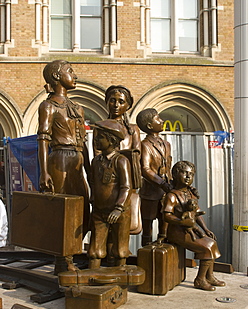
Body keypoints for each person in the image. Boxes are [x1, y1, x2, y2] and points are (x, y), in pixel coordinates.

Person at [37, 60, 90, 273]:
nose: (75, 75)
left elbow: (84, 142)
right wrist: (44, 172)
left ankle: (73, 251)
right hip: (59, 159)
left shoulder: (77, 107)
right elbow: (43, 139)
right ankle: (62, 260)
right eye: (70, 71)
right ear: (57, 77)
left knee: (84, 209)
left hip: (77, 160)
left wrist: (90, 170)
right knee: (63, 210)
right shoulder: (48, 106)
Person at [161, 160, 225, 291]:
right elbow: (166, 216)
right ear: (175, 174)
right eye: (184, 173)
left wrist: (206, 229)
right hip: (177, 232)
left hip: (189, 229)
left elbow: (197, 214)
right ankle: (200, 280)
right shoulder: (172, 196)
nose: (188, 177)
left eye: (191, 174)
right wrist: (181, 222)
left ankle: (209, 276)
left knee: (212, 242)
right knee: (206, 247)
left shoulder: (190, 194)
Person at [88, 119, 132, 269]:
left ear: (111, 140)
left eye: (100, 137)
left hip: (119, 213)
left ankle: (120, 278)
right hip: (99, 212)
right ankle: (92, 277)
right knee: (95, 250)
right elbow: (93, 182)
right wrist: (94, 199)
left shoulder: (121, 161)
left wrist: (119, 208)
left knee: (120, 249)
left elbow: (126, 187)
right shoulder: (96, 161)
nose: (96, 140)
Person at [136, 108, 172, 246]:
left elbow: (168, 166)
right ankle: (146, 252)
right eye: (158, 119)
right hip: (150, 193)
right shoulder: (145, 145)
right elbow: (145, 169)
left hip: (165, 192)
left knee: (165, 223)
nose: (162, 121)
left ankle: (162, 251)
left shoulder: (166, 144)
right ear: (150, 126)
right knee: (148, 226)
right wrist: (161, 183)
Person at [94, 85, 141, 154]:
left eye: (121, 102)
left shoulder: (133, 129)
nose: (116, 105)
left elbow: (137, 153)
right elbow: (97, 154)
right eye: (112, 101)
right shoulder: (100, 128)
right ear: (107, 103)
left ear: (127, 106)